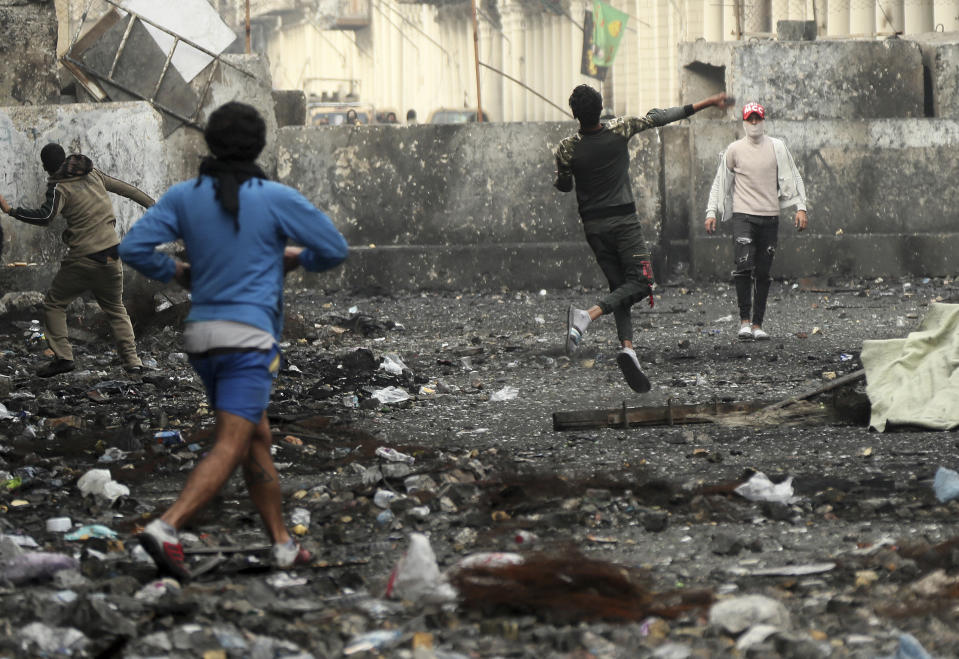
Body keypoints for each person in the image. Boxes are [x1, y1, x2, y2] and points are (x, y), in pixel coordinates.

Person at [118, 102, 349, 580]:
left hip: (202, 338)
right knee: (230, 443)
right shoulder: (275, 198)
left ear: (210, 142)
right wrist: (291, 260)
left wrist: (179, 273)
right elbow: (333, 249)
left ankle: (282, 545)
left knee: (255, 437)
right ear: (260, 145)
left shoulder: (185, 196)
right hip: (248, 340)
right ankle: (166, 527)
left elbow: (134, 248)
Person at [555, 84, 729, 392]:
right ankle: (586, 316)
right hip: (623, 223)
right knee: (641, 283)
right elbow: (661, 117)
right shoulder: (621, 128)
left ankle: (628, 349)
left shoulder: (567, 148)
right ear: (601, 108)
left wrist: (565, 176)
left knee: (619, 288)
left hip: (594, 228)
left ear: (575, 114)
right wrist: (708, 102)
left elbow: (565, 185)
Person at [0, 144, 153, 377]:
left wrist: (9, 210)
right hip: (112, 255)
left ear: (47, 167)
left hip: (83, 259)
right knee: (115, 308)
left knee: (54, 303)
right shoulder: (94, 173)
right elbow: (129, 190)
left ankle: (63, 357)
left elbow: (45, 217)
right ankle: (133, 362)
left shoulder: (58, 186)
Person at [704, 101, 808, 341]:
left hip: (770, 216)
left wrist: (801, 207)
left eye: (757, 119)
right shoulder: (734, 150)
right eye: (749, 119)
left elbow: (794, 176)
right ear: (743, 122)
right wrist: (711, 211)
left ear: (763, 121)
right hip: (743, 216)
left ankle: (758, 323)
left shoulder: (777, 147)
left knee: (763, 271)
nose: (753, 123)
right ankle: (744, 321)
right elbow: (720, 182)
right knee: (743, 266)